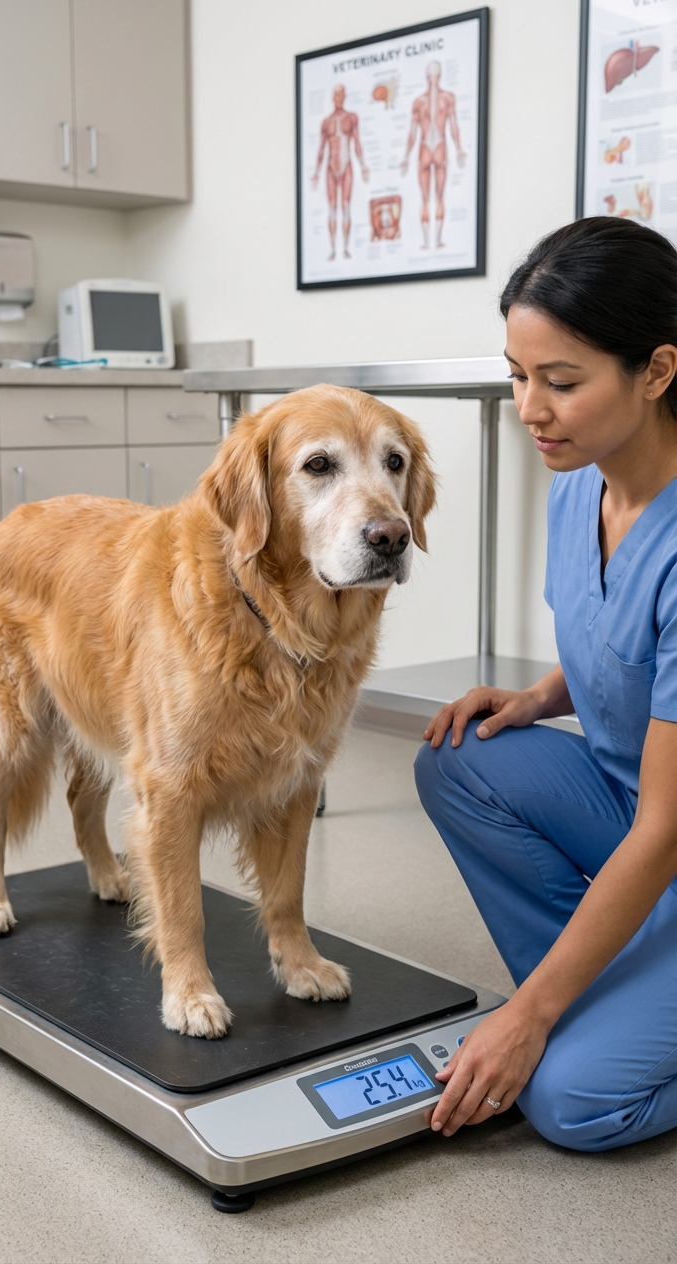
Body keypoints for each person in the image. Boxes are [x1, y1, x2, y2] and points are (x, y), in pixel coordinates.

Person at [414, 216, 677, 1152]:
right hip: (629, 808)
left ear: (657, 370)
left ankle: (570, 1012)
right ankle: (605, 987)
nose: (531, 408)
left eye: (561, 383)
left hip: (664, 833)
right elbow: (620, 641)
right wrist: (536, 699)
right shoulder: (581, 480)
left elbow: (664, 829)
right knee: (460, 757)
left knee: (572, 1102)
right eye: (520, 376)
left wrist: (527, 1021)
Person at [400, 60, 465, 250]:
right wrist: (405, 156)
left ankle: (435, 240)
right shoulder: (421, 101)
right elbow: (412, 132)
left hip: (437, 146)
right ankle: (429, 240)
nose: (433, 78)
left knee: (437, 196)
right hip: (427, 147)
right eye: (432, 75)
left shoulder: (445, 98)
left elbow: (453, 125)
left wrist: (460, 148)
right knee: (426, 198)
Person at [311, 84, 369, 261]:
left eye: (340, 95)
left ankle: (345, 248)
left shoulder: (351, 118)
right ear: (332, 97)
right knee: (332, 208)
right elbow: (321, 148)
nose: (337, 98)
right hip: (330, 167)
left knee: (345, 206)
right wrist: (316, 172)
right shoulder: (326, 122)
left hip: (347, 166)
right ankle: (332, 249)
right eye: (335, 95)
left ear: (344, 96)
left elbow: (357, 142)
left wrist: (363, 164)